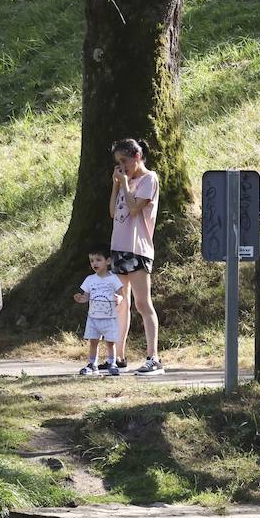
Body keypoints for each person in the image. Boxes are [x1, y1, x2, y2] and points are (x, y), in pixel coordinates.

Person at [109, 138, 163, 374]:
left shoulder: (148, 179)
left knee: (142, 303)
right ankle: (118, 357)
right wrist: (116, 185)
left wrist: (125, 184)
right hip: (119, 247)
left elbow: (133, 209)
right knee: (121, 304)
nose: (122, 166)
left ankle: (153, 357)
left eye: (124, 160)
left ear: (137, 156)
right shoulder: (125, 181)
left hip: (138, 248)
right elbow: (113, 212)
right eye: (118, 162)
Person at [73, 247, 123, 376]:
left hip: (109, 317)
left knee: (110, 342)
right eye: (92, 261)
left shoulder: (113, 279)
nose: (94, 263)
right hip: (93, 318)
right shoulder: (90, 279)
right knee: (93, 341)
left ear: (107, 261)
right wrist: (80, 299)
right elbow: (86, 297)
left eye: (98, 260)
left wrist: (119, 298)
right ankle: (92, 364)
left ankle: (112, 363)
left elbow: (120, 294)